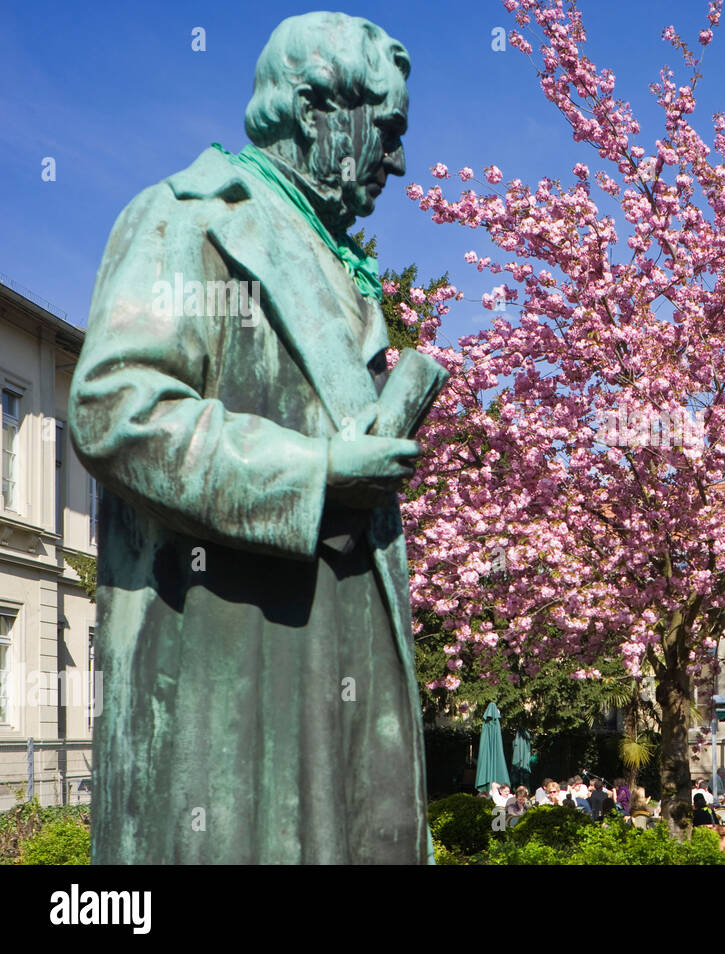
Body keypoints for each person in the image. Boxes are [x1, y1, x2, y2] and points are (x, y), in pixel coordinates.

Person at [69, 12, 437, 865]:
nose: (398, 162)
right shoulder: (190, 217)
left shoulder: (334, 260)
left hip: (331, 667)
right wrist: (313, 471)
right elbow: (116, 409)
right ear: (314, 111)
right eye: (385, 131)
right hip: (230, 675)